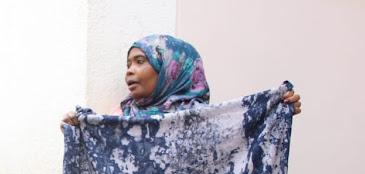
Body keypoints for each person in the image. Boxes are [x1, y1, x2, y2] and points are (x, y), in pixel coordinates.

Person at [61, 34, 301, 126]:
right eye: (128, 64)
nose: (130, 71)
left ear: (170, 69)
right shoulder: (121, 114)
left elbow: (242, 136)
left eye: (140, 61)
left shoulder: (202, 117)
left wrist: (276, 111)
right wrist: (77, 129)